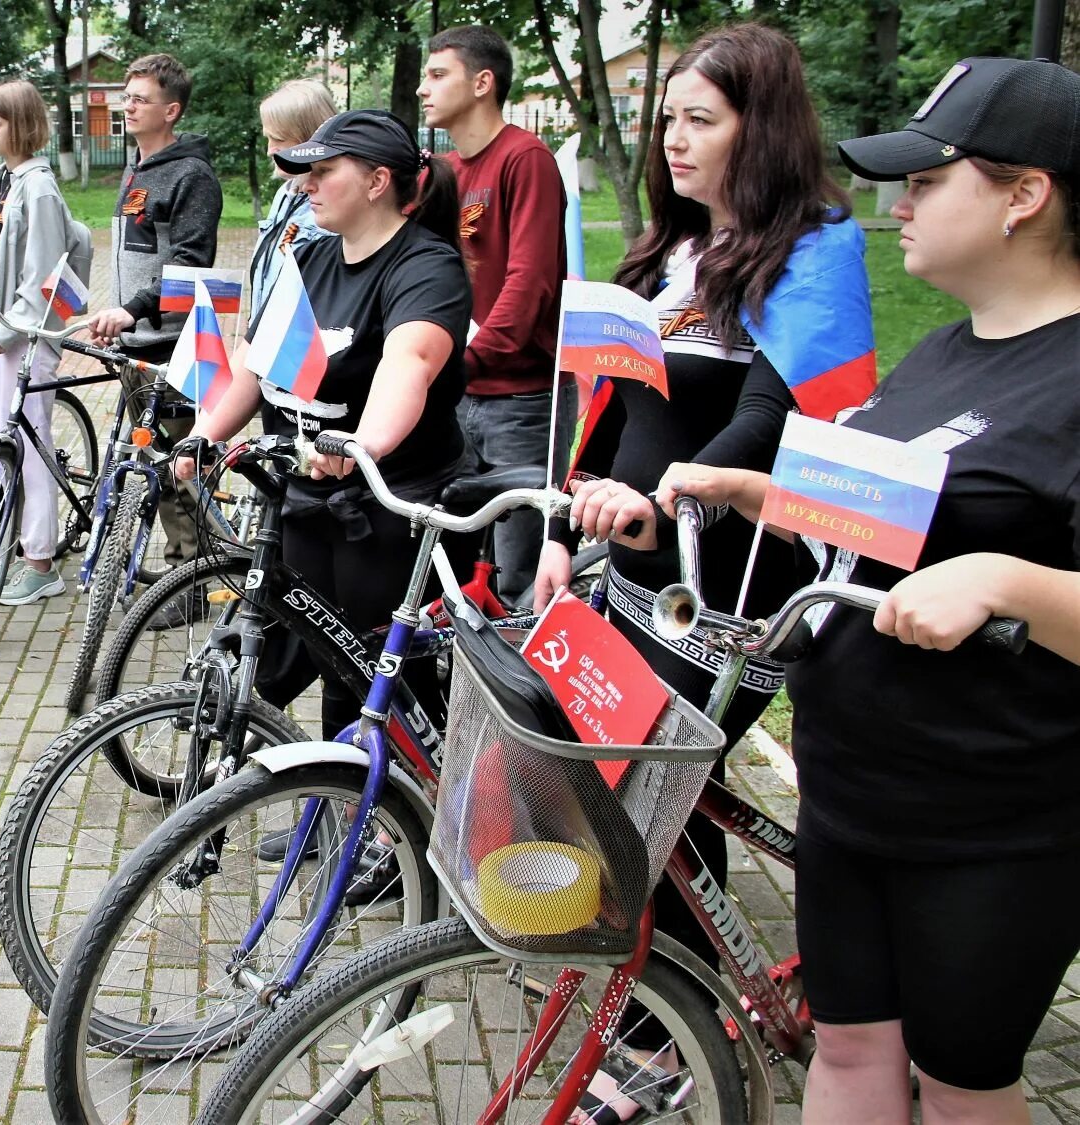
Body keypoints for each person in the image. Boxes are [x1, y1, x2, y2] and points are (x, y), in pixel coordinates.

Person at [659, 56, 1080, 1125]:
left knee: (960, 1086)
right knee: (847, 1052)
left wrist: (1003, 578)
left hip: (990, 822)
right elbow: (884, 519)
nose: (900, 205)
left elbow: (996, 566)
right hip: (852, 791)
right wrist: (762, 493)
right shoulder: (945, 350)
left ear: (1026, 194)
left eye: (931, 182)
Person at [523, 25, 876, 1122]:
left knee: (655, 808)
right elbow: (613, 400)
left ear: (758, 128)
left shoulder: (814, 247)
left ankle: (664, 1054)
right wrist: (559, 530)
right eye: (667, 117)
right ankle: (665, 1005)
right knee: (627, 800)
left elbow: (776, 413)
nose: (674, 140)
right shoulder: (670, 249)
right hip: (628, 569)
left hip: (730, 588)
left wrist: (672, 488)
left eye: (701, 120)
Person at [176, 108, 468, 746]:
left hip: (392, 500)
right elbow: (257, 369)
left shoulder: (426, 266)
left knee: (387, 674)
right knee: (336, 663)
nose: (305, 184)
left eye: (323, 170)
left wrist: (363, 444)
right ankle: (346, 815)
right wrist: (204, 436)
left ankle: (400, 820)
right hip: (311, 493)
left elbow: (409, 360)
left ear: (376, 182)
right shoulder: (309, 257)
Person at [419, 25, 570, 604]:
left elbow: (528, 283)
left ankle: (524, 689)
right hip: (457, 393)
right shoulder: (448, 170)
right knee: (454, 571)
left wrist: (465, 361)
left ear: (483, 83)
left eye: (439, 75)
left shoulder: (524, 158)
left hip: (520, 400)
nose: (423, 91)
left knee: (517, 577)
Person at [86, 53, 223, 624]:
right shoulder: (138, 169)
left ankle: (189, 583)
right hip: (138, 343)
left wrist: (134, 310)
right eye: (126, 95)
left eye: (140, 98)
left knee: (176, 467)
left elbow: (192, 265)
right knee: (150, 461)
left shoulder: (191, 176)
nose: (127, 104)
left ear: (171, 110)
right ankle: (180, 566)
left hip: (171, 345)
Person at [0, 79, 79, 606]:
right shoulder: (1, 180)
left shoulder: (39, 187)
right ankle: (18, 539)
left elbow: (43, 273)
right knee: (0, 441)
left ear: (21, 125)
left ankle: (41, 563)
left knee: (29, 445)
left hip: (23, 338)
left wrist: (4, 333)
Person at [247, 80, 335, 317]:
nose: (269, 150)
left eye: (278, 139)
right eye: (268, 138)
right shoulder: (286, 193)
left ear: (308, 139)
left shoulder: (330, 203)